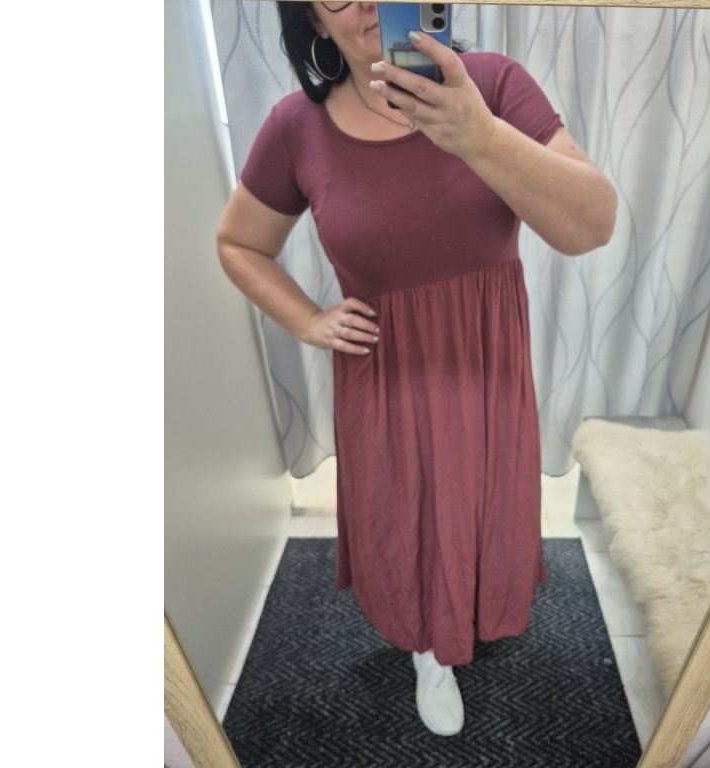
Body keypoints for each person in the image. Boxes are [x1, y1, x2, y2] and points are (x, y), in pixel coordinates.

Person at [215, 1, 616, 738]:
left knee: (483, 503)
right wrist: (308, 320)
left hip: (487, 362)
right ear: (313, 19)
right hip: (388, 378)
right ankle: (430, 649)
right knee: (410, 520)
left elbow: (592, 225)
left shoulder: (492, 85)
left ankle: (471, 610)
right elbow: (240, 243)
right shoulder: (295, 128)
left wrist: (479, 135)